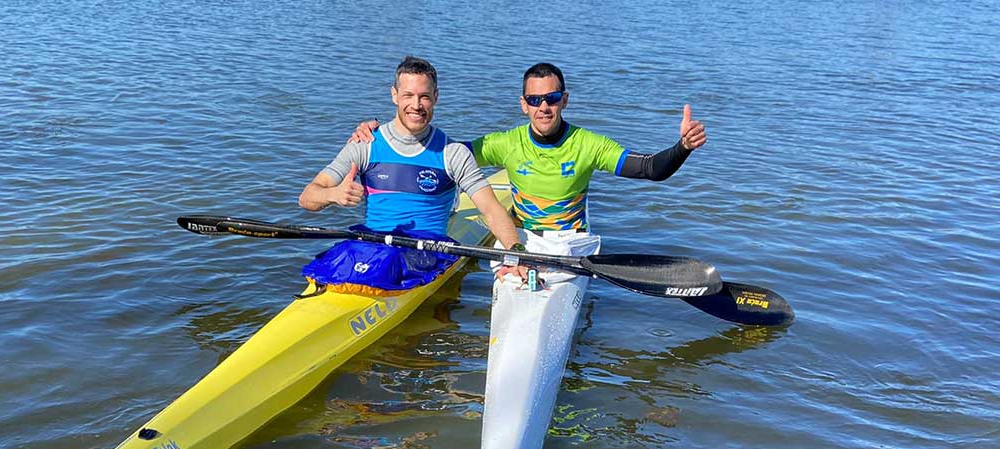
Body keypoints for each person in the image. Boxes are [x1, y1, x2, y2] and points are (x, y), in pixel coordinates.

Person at [350, 62, 707, 284]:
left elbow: (649, 169)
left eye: (552, 98)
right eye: (535, 100)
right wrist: (382, 132)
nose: (544, 107)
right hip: (522, 240)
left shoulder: (589, 144)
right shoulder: (505, 143)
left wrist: (682, 148)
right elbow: (438, 153)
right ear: (524, 104)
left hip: (570, 245)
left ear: (564, 100)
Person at [298, 56, 522, 296]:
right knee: (341, 256)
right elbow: (307, 197)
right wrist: (333, 194)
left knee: (388, 261)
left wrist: (515, 253)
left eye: (424, 96)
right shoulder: (365, 144)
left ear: (436, 97)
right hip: (371, 245)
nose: (416, 104)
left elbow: (491, 209)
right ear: (394, 95)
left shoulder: (452, 153)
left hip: (424, 250)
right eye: (408, 95)